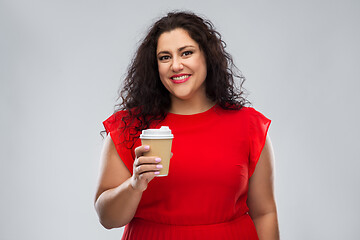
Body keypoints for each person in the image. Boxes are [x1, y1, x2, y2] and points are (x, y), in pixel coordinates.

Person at [94, 11, 279, 240]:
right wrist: (134, 185)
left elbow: (264, 213)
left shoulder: (249, 126)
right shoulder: (128, 128)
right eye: (164, 57)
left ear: (207, 57)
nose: (176, 65)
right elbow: (107, 218)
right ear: (155, 66)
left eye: (186, 53)